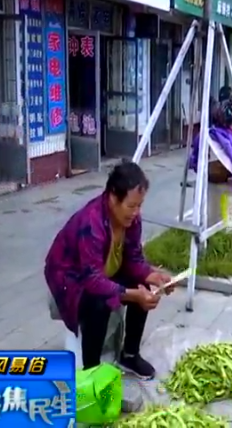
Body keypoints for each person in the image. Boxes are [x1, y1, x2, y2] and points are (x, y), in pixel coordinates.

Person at [45, 162, 173, 377]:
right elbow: (92, 280)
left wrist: (154, 276)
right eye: (131, 206)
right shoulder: (91, 222)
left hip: (101, 274)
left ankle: (130, 355)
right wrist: (132, 296)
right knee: (99, 303)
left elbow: (133, 259)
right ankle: (92, 372)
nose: (136, 212)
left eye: (139, 205)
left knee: (143, 285)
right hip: (71, 282)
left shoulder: (132, 221)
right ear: (113, 197)